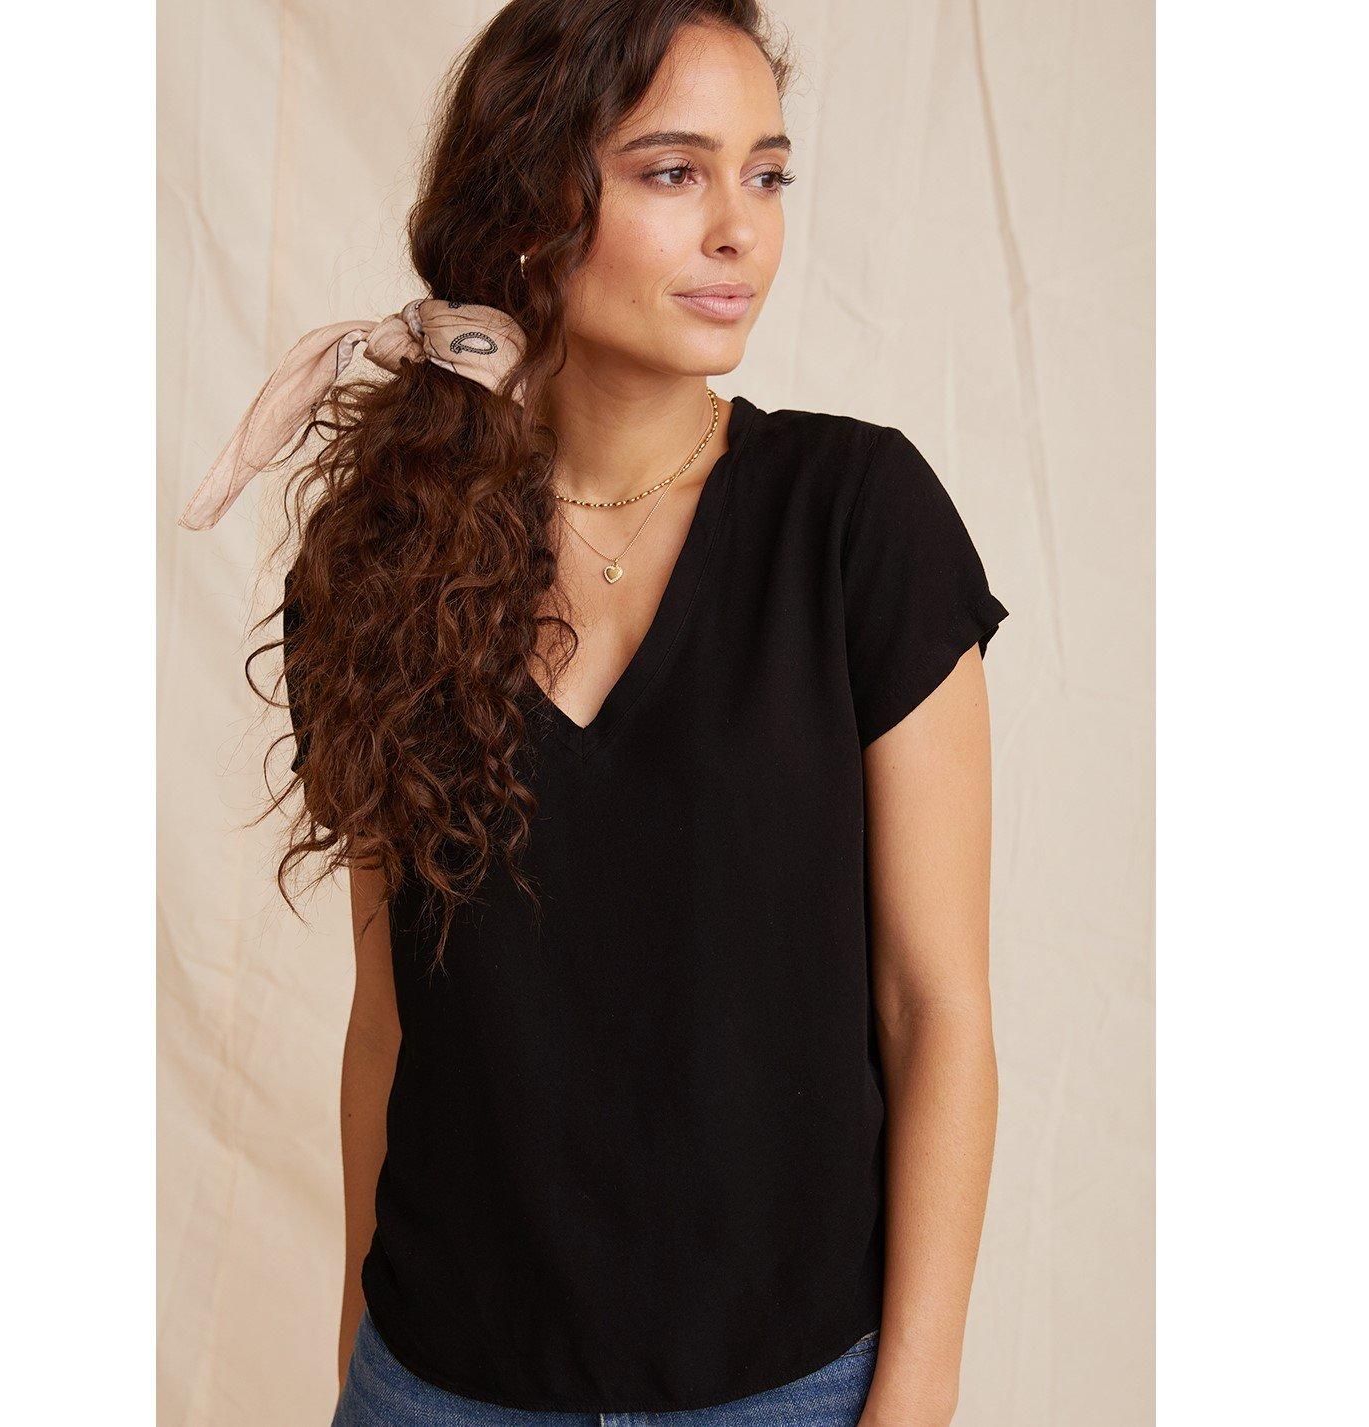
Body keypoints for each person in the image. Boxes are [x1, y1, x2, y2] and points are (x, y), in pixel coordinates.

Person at [181, 2, 1010, 1423]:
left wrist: (914, 1398)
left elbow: (934, 1010)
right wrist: (356, 1356)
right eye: (675, 171)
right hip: (434, 1385)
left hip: (788, 1391)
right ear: (527, 207)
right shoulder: (382, 557)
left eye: (767, 174)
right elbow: (391, 1019)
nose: (742, 230)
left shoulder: (857, 521)